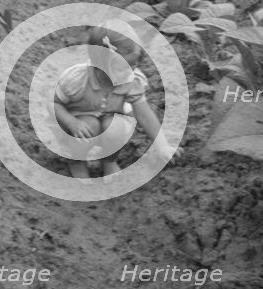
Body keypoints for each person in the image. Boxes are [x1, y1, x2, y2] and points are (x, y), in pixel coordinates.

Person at [53, 19, 182, 179]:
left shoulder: (131, 80)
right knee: (89, 125)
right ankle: (77, 162)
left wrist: (162, 146)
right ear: (100, 65)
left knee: (117, 128)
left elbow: (145, 115)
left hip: (109, 117)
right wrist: (72, 123)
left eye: (134, 66)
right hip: (78, 121)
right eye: (123, 67)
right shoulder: (77, 79)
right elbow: (54, 105)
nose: (130, 71)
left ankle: (109, 161)